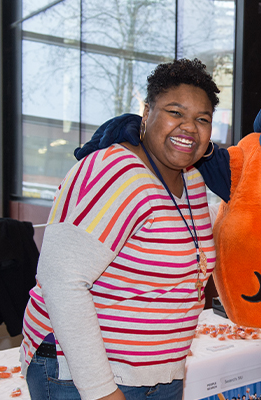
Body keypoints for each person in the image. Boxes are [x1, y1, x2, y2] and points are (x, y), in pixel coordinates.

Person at [19, 58, 221, 400]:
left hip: (160, 372)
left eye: (202, 119)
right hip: (86, 377)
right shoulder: (113, 171)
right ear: (146, 113)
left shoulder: (194, 182)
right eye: (175, 112)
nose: (189, 127)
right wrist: (101, 391)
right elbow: (61, 280)